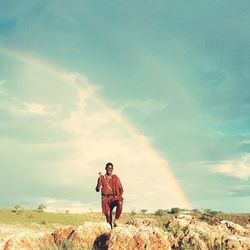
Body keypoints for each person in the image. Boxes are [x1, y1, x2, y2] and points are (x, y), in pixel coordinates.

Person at [95, 162, 123, 228]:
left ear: (112, 169)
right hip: (105, 199)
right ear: (105, 168)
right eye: (108, 168)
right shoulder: (101, 178)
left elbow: (121, 188)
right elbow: (97, 189)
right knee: (108, 215)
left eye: (111, 168)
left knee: (120, 202)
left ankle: (116, 220)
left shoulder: (115, 177)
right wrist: (98, 186)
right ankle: (110, 230)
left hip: (113, 197)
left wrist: (119, 196)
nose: (109, 170)